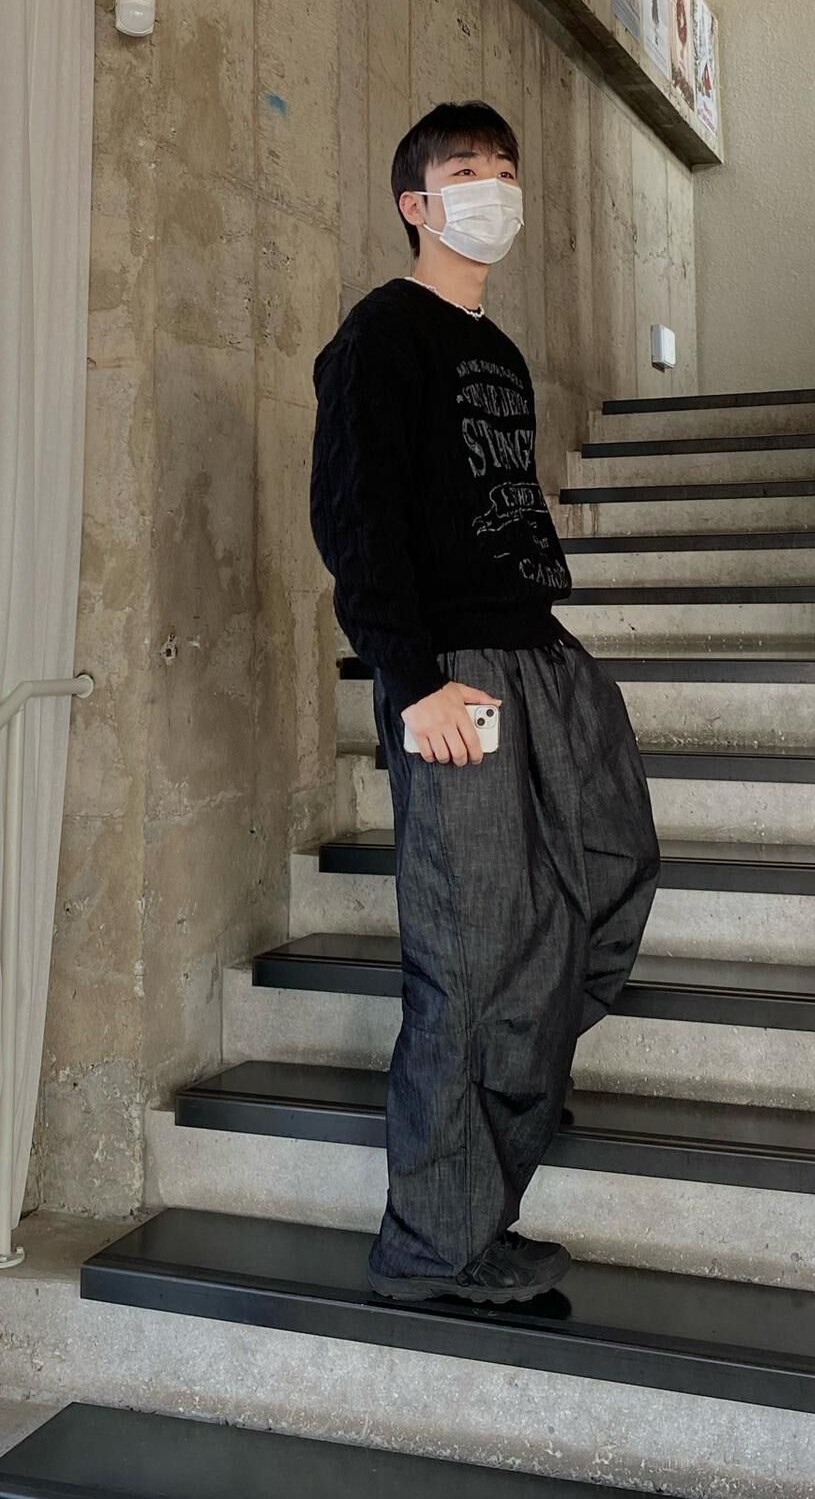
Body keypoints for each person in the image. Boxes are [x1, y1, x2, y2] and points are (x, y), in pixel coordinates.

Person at [309, 100, 661, 1306]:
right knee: (470, 952)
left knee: (605, 876)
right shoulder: (380, 339)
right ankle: (439, 1243)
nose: (493, 186)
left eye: (506, 168)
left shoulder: (498, 353)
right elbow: (356, 524)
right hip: (454, 669)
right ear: (417, 203)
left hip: (540, 652)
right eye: (468, 170)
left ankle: (510, 1111)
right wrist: (410, 682)